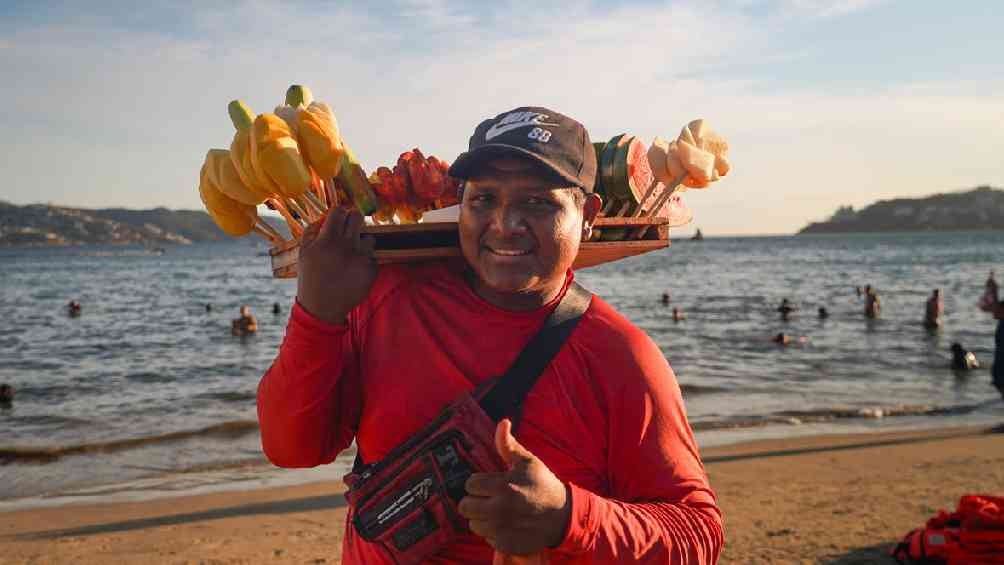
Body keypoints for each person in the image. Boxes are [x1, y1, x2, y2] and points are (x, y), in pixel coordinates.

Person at [257, 106, 722, 564]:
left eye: (537, 202)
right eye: (484, 200)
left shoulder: (620, 356)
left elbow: (697, 534)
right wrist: (316, 314)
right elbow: (292, 449)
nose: (504, 224)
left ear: (588, 214)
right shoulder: (386, 301)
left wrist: (566, 516)